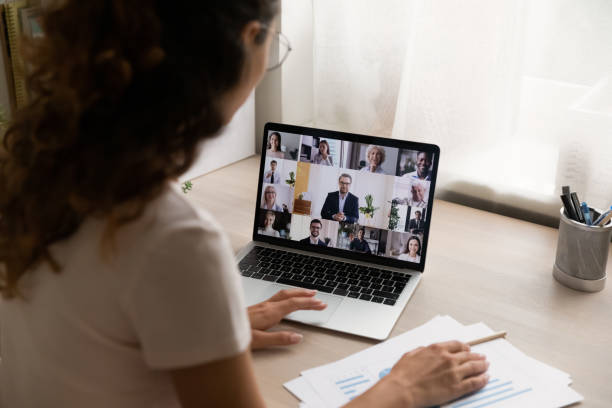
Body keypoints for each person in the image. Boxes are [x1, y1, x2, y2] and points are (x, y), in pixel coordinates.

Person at [0, 1, 489, 407]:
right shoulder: (173, 238)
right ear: (246, 39)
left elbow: (83, 337)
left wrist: (205, 334)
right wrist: (401, 388)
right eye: (273, 44)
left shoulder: (39, 170)